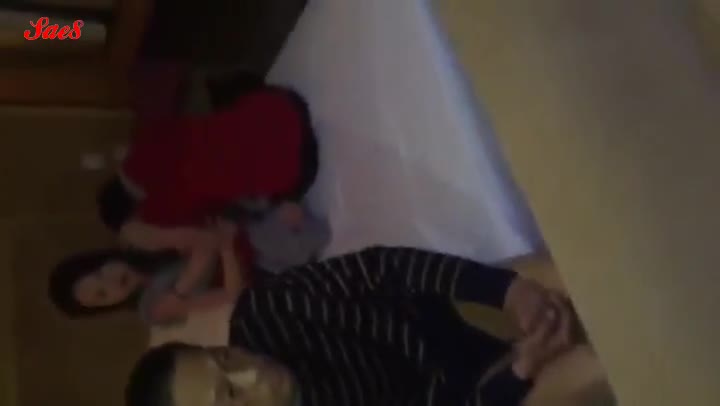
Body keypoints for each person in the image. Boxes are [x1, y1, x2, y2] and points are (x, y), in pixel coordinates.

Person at [126, 246, 578, 405]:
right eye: (231, 396)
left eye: (225, 358)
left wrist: (506, 291)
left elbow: (381, 268)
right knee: (584, 371)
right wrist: (519, 372)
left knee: (565, 288)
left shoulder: (267, 311)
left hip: (443, 319)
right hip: (475, 396)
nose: (253, 371)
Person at [97, 81, 320, 294]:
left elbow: (208, 235)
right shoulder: (146, 141)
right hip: (280, 106)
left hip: (292, 164)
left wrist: (156, 235)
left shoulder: (158, 209)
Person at [49, 220, 245, 325]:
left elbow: (204, 238)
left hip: (236, 222)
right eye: (102, 294)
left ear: (101, 259)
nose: (111, 283)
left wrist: (182, 288)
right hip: (247, 268)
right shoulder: (152, 309)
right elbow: (232, 295)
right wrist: (226, 249)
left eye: (100, 273)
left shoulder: (135, 238)